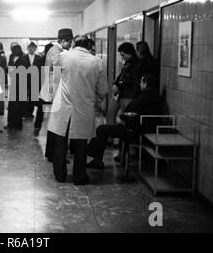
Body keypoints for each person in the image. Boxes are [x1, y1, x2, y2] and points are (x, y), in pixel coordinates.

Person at [47, 38, 108, 185]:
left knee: (60, 140)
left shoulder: (64, 57)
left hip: (63, 105)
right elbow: (103, 90)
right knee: (81, 143)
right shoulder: (97, 62)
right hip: (84, 106)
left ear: (74, 45)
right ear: (89, 47)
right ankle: (79, 177)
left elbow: (52, 67)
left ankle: (60, 175)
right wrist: (97, 98)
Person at [86, 74, 161, 168]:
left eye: (142, 82)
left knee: (101, 129)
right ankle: (93, 154)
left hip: (134, 131)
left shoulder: (144, 97)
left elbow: (130, 111)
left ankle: (94, 156)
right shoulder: (154, 96)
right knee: (102, 130)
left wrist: (122, 119)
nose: (140, 84)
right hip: (141, 128)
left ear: (146, 84)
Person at [43, 28, 73, 162]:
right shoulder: (56, 51)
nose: (71, 45)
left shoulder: (58, 50)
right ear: (63, 40)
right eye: (69, 42)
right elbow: (59, 66)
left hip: (55, 90)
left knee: (54, 124)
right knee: (58, 125)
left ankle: (51, 153)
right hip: (56, 91)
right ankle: (56, 154)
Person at [106, 42, 140, 125]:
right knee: (110, 113)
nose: (122, 58)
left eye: (123, 55)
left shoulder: (136, 65)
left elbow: (131, 81)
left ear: (129, 53)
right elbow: (121, 75)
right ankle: (110, 134)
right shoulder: (127, 64)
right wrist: (115, 84)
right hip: (121, 93)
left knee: (124, 118)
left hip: (128, 95)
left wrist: (118, 86)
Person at [21, 42, 44, 136]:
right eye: (30, 48)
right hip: (25, 79)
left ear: (35, 49)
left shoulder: (39, 58)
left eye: (33, 48)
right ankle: (26, 112)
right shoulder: (24, 57)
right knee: (25, 95)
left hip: (35, 79)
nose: (31, 49)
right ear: (28, 48)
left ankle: (30, 112)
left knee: (33, 96)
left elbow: (40, 69)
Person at [6, 44, 25, 130]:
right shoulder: (12, 59)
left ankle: (17, 124)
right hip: (14, 83)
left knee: (17, 105)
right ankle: (12, 123)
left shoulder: (21, 60)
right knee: (13, 105)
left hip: (19, 84)